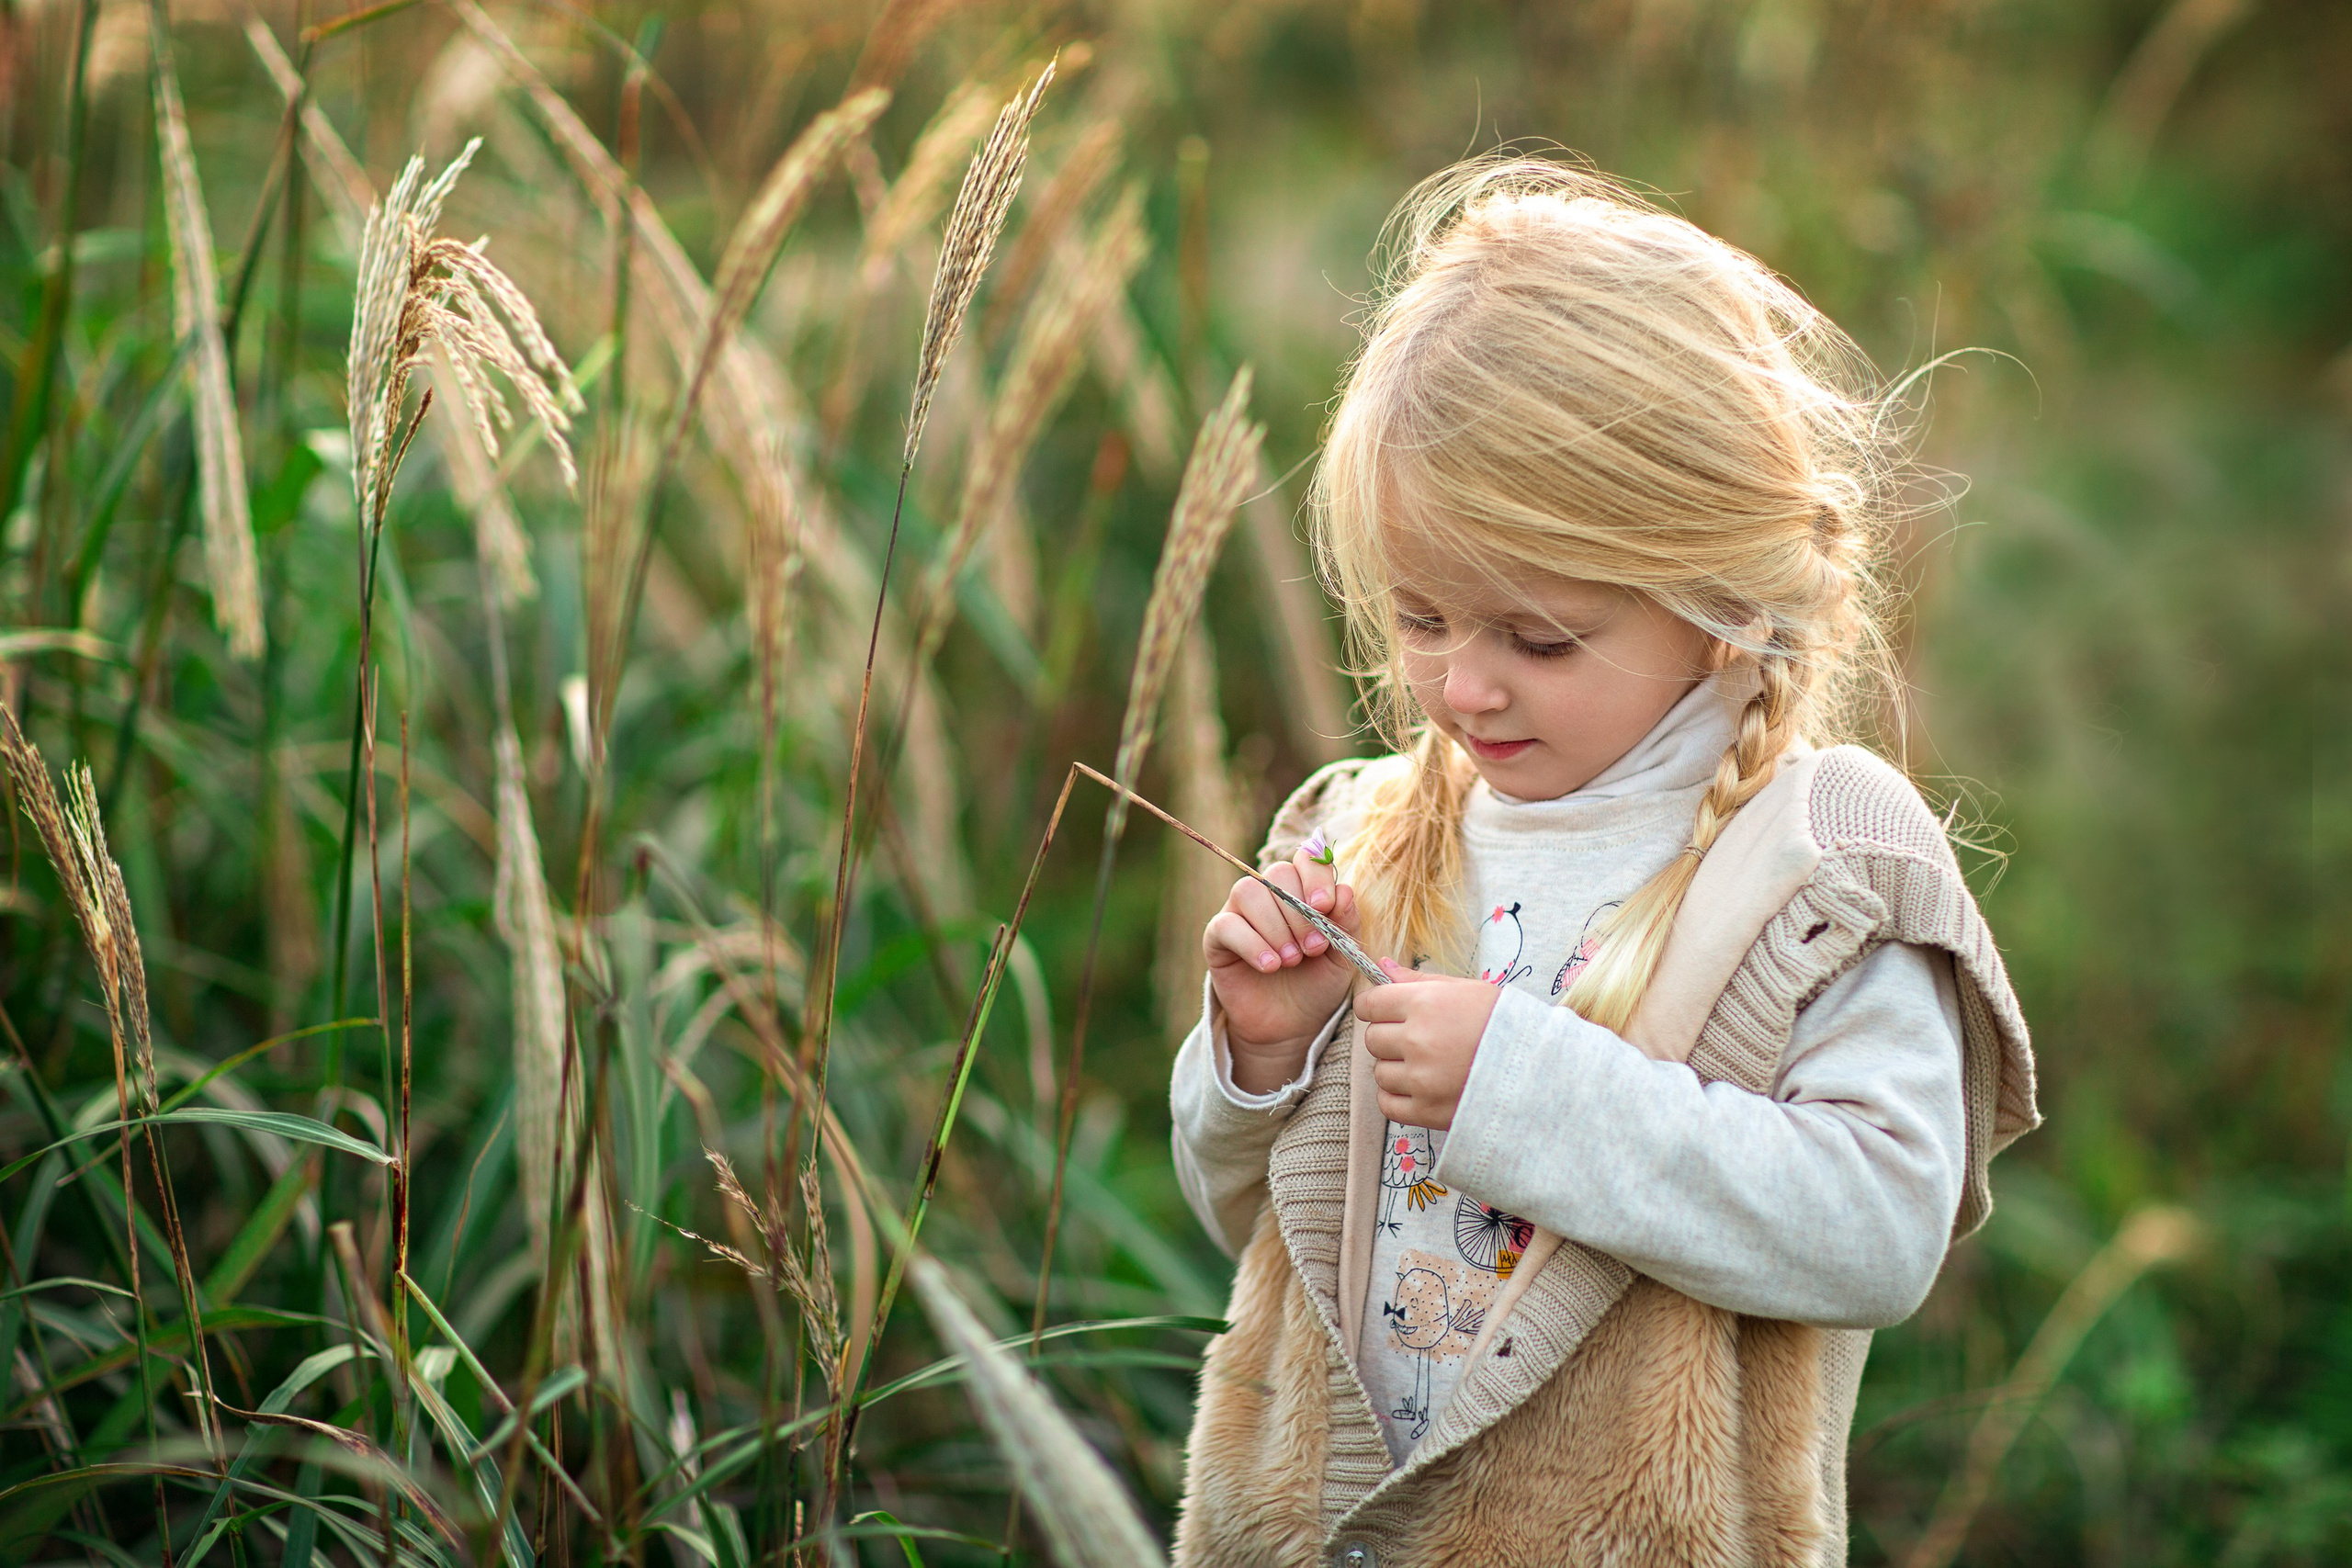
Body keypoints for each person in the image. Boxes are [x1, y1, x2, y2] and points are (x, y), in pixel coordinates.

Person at [1167, 157, 2039, 1568]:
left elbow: (1881, 1229)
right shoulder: (1363, 831)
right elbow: (1253, 1238)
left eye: (1540, 637)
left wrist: (1525, 1091)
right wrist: (1257, 1061)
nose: (1463, 688)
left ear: (1719, 595)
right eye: (1422, 618)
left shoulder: (1816, 869)